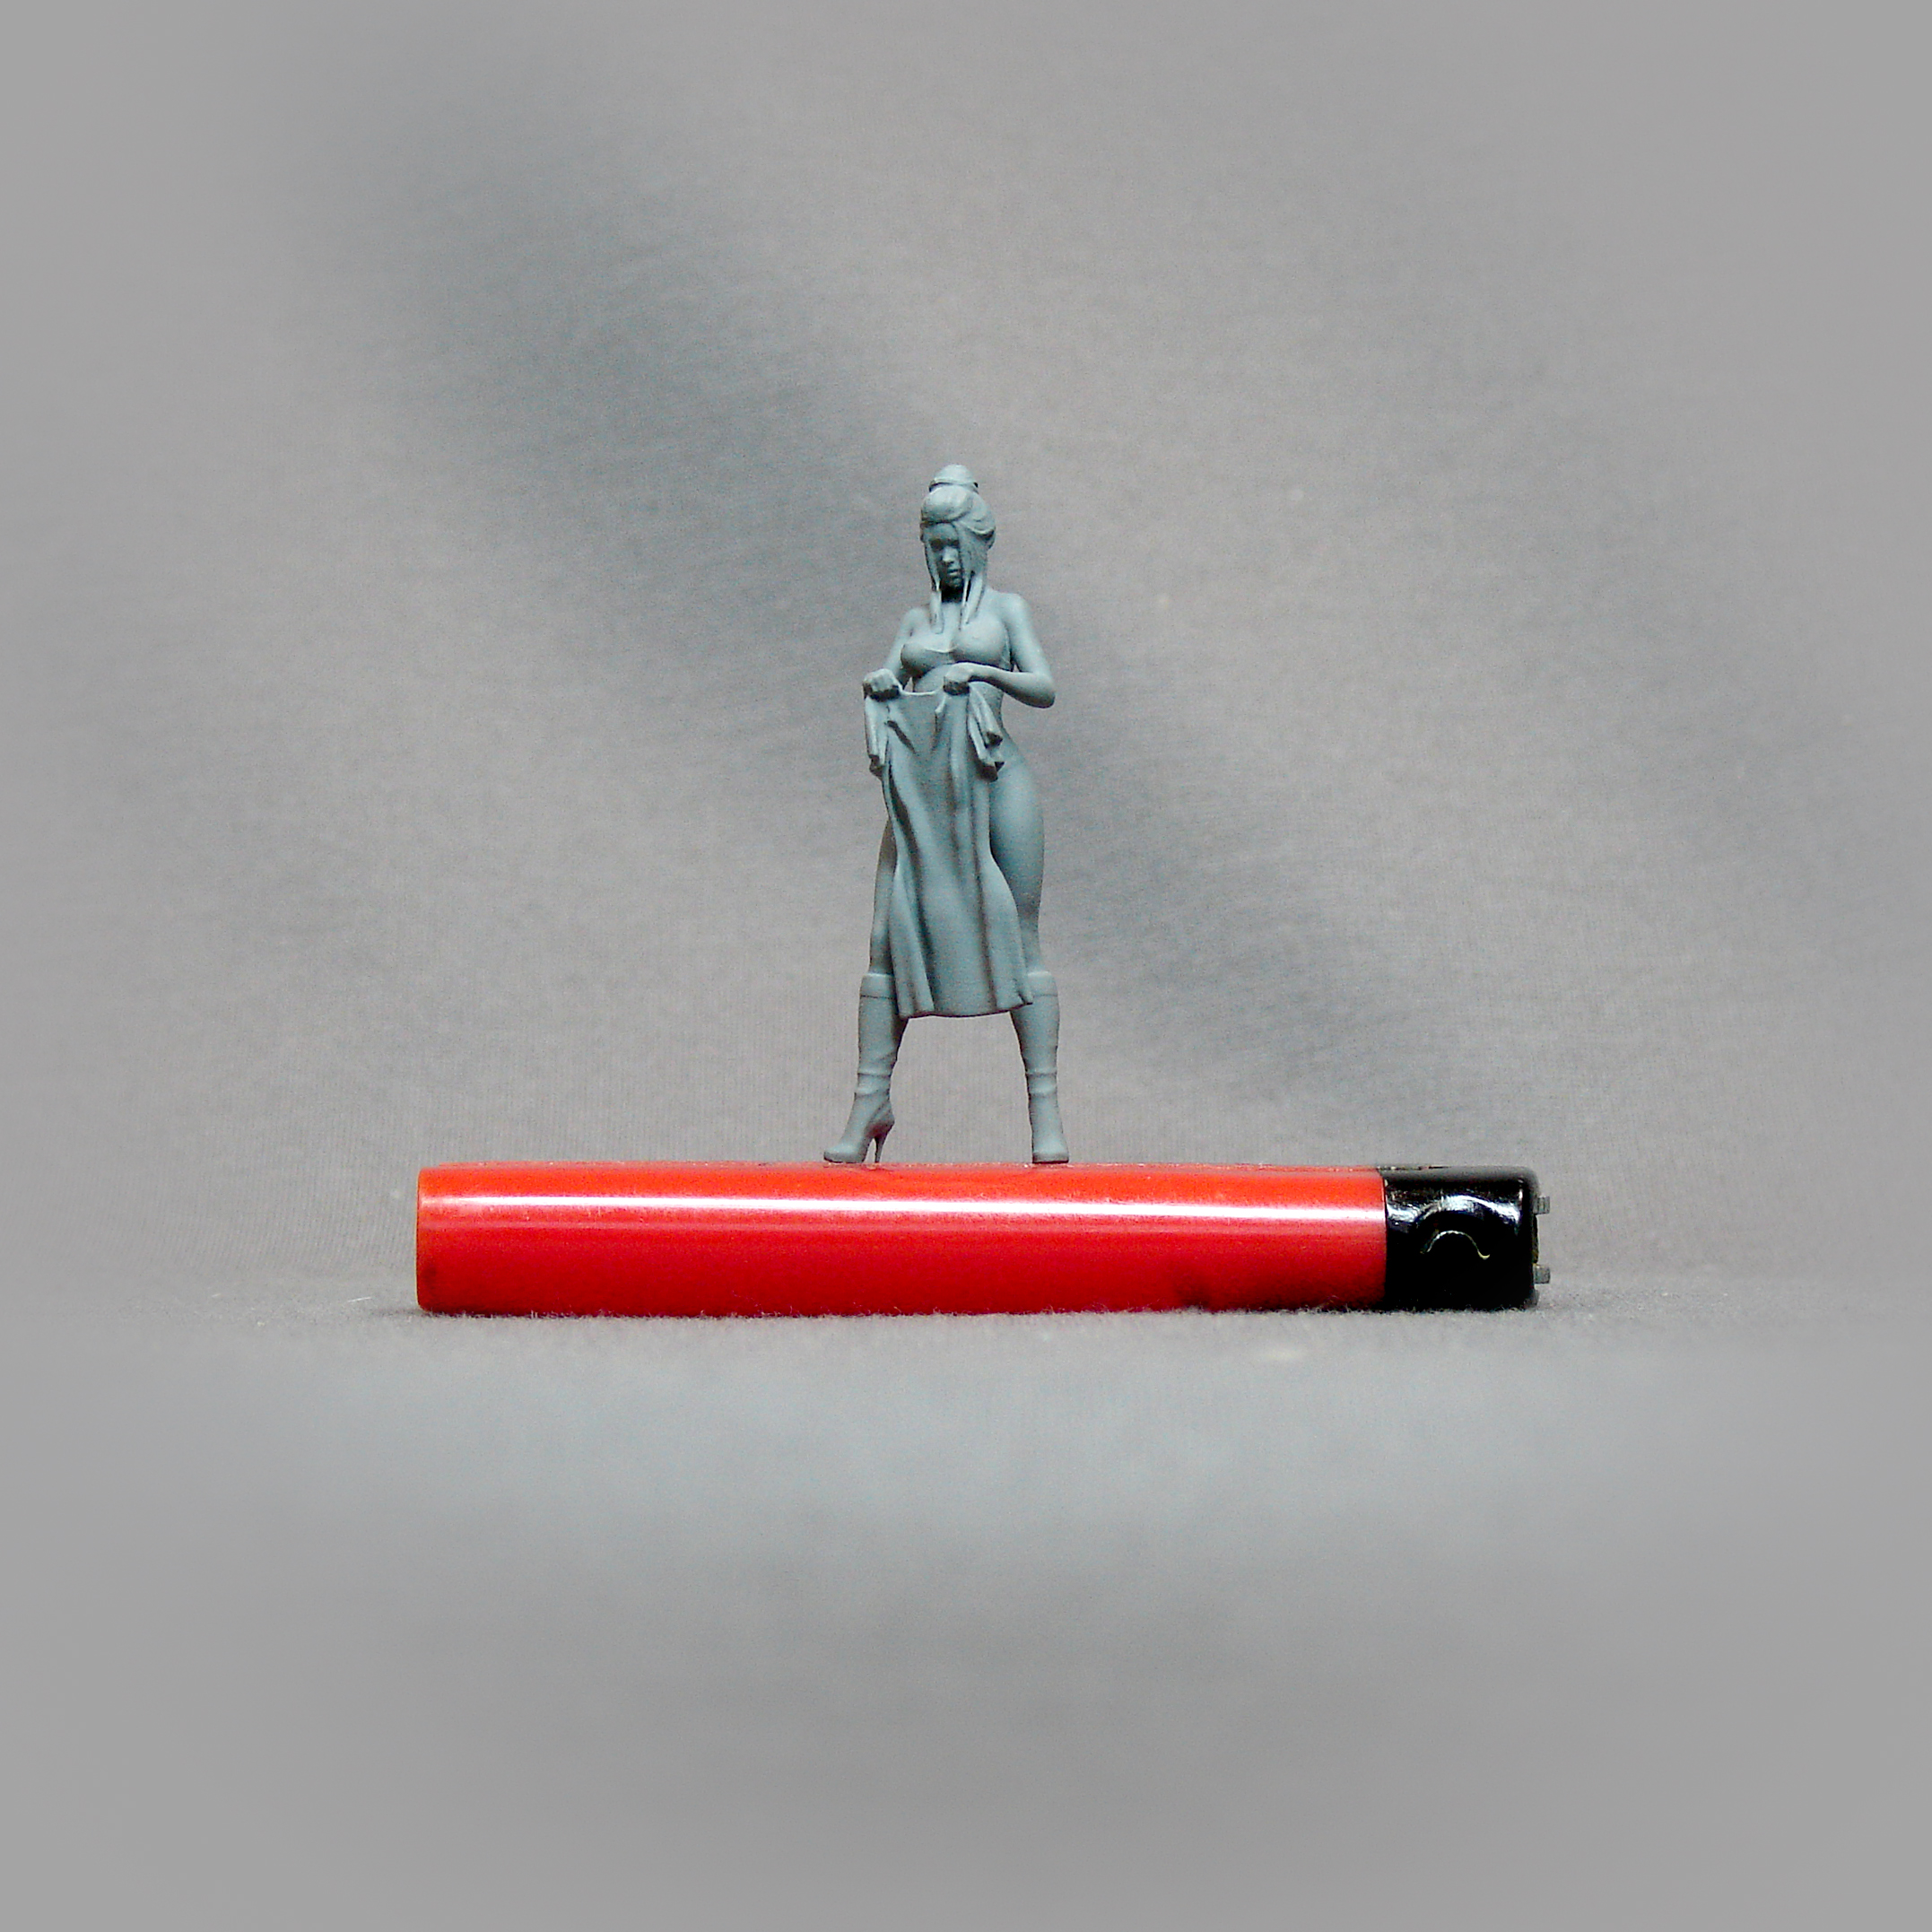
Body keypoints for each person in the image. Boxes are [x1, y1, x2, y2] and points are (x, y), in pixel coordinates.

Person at [825, 466, 1067, 1164]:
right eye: (934, 545)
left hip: (994, 778)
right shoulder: (916, 622)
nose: (945, 558)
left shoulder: (1007, 612)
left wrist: (984, 673)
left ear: (977, 541)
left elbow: (1044, 686)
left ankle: (1045, 1109)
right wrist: (882, 683)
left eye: (954, 543)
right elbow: (889, 679)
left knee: (1020, 934)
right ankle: (870, 1099)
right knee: (884, 935)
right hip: (924, 791)